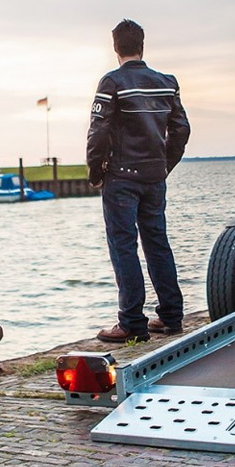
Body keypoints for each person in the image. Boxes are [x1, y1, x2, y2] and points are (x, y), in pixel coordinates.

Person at [87, 19, 191, 343]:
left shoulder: (112, 82)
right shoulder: (167, 82)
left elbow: (97, 132)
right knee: (157, 243)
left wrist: (95, 172)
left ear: (115, 47)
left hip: (122, 176)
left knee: (124, 246)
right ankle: (171, 316)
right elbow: (181, 129)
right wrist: (164, 165)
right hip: (153, 176)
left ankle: (132, 322)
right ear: (142, 45)